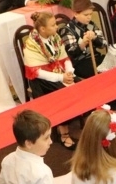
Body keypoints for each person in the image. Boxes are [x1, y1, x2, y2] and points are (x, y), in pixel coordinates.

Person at [22, 12, 78, 149]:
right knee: (66, 95)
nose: (57, 27)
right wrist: (61, 78)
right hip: (41, 80)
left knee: (82, 87)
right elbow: (37, 72)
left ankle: (87, 123)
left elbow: (64, 58)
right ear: (42, 29)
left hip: (60, 72)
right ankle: (64, 134)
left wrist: (69, 71)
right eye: (53, 25)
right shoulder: (31, 44)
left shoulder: (55, 37)